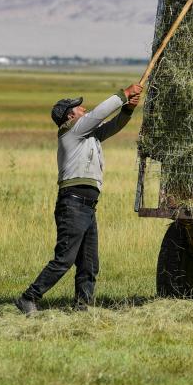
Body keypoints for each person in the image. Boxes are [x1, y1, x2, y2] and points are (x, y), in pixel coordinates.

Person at [15, 83, 142, 314]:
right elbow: (98, 114)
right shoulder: (72, 131)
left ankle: (82, 308)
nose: (83, 109)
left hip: (87, 206)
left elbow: (113, 126)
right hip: (73, 204)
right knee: (64, 259)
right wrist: (123, 94)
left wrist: (127, 110)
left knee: (89, 263)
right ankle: (28, 297)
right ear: (70, 115)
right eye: (79, 108)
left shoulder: (87, 135)